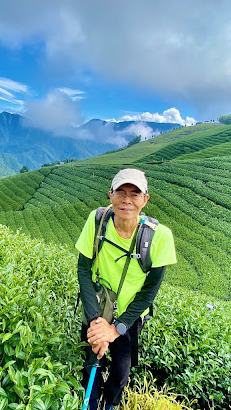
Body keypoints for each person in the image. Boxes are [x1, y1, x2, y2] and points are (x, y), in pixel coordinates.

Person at [76, 168, 176, 409]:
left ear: (145, 199)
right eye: (120, 192)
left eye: (135, 193)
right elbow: (83, 270)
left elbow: (149, 292)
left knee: (121, 370)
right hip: (98, 307)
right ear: (110, 195)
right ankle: (91, 402)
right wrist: (95, 322)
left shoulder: (160, 237)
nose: (126, 200)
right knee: (90, 362)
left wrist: (115, 329)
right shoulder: (97, 220)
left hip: (130, 315)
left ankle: (111, 403)